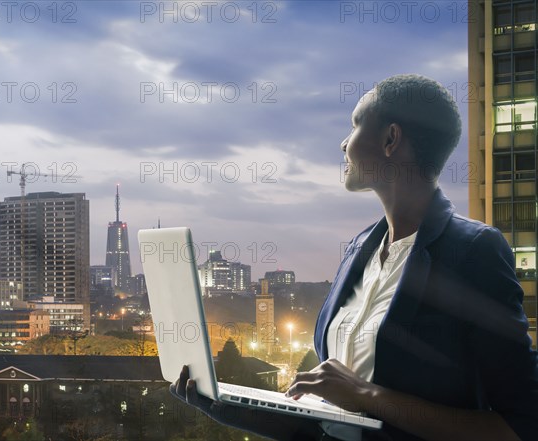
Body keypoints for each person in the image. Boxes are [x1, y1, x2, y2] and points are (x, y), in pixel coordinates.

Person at [170, 74, 538, 440]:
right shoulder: (360, 247)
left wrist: (367, 394)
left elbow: (518, 425)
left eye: (355, 124)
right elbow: (329, 422)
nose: (344, 142)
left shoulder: (474, 250)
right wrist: (225, 407)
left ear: (390, 139)